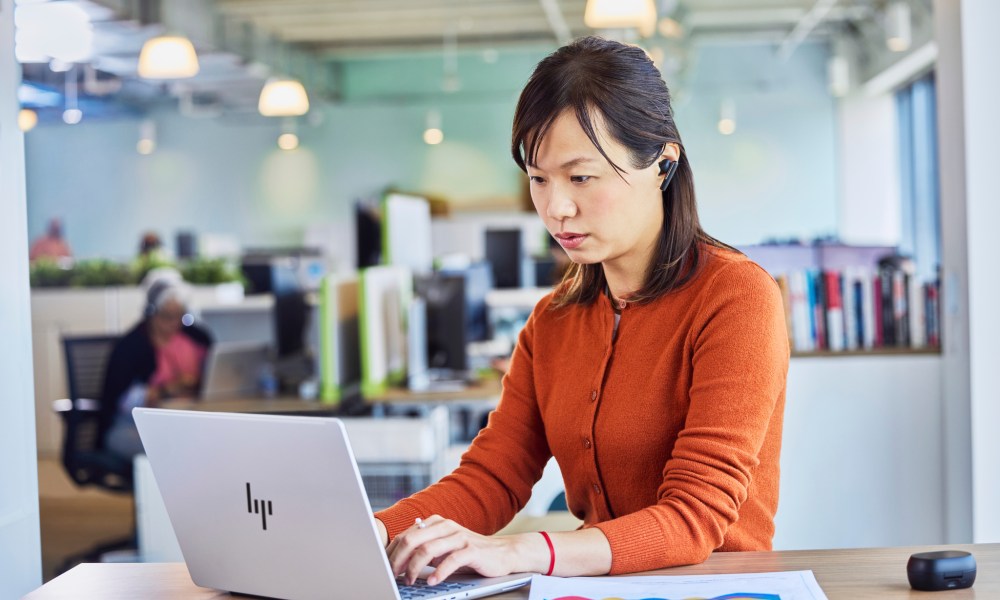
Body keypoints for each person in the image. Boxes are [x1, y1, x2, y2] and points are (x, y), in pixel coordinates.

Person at [374, 36, 789, 583]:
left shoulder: (736, 298)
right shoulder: (553, 319)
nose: (556, 208)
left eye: (581, 177)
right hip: (595, 590)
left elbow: (696, 518)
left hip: (714, 588)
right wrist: (373, 532)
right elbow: (494, 476)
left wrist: (521, 552)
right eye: (538, 179)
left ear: (663, 164)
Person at [100, 268, 213, 458]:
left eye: (180, 316)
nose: (174, 323)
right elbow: (121, 401)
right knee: (174, 449)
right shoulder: (131, 346)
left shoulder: (196, 339)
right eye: (167, 316)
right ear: (151, 312)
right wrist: (167, 389)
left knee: (203, 445)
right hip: (135, 427)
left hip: (186, 423)